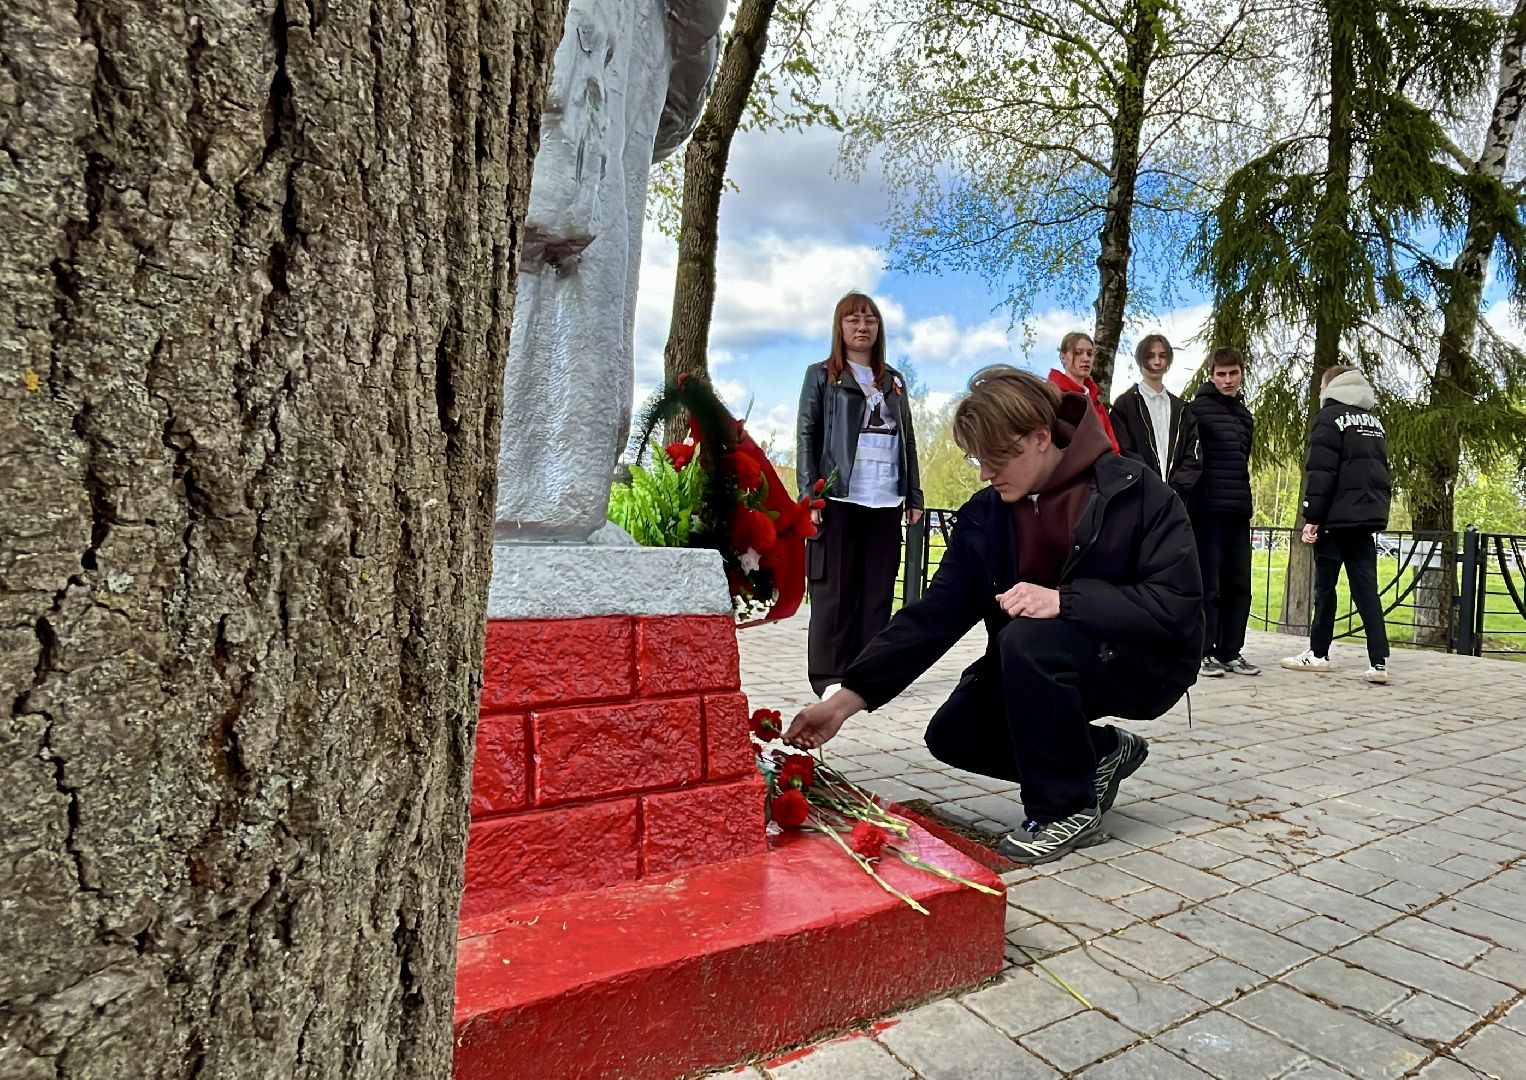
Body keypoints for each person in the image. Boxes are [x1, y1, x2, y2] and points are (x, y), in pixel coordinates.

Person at [784, 366, 1202, 865]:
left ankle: (1066, 809)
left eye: (997, 457)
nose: (985, 473)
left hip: (1143, 664)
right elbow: (932, 617)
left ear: (1041, 437)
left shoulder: (1135, 492)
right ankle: (1100, 754)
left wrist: (1065, 601)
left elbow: (1175, 604)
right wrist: (844, 700)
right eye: (978, 459)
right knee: (955, 731)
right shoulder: (986, 516)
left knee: (1026, 639)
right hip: (1039, 661)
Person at [795, 291, 924, 698]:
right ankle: (828, 677)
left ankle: (866, 676)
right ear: (840, 327)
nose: (862, 327)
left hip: (885, 498)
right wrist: (809, 493)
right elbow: (807, 434)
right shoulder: (822, 376)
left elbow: (908, 439)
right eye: (853, 320)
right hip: (839, 496)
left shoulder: (894, 380)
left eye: (870, 320)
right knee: (835, 591)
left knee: (877, 592)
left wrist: (914, 494)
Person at [1281, 365, 1393, 683]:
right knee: (1367, 591)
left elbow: (1321, 471)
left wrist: (1312, 517)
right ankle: (1378, 662)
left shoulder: (1329, 418)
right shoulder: (1372, 421)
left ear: (1330, 386)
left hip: (1335, 520)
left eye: (1321, 386)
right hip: (1365, 520)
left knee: (1325, 589)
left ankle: (1318, 654)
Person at [1187, 347, 1259, 678]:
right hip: (1208, 511)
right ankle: (1204, 652)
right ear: (1212, 375)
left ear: (1241, 373)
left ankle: (1231, 651)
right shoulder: (1196, 411)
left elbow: (1243, 460)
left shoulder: (1245, 416)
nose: (1228, 380)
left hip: (1238, 510)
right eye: (1221, 374)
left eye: (1233, 373)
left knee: (1240, 585)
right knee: (1209, 586)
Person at [1110, 334, 1201, 503]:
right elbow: (1123, 452)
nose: (1157, 362)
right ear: (1140, 359)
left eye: (1162, 356)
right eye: (1150, 356)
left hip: (1176, 501)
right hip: (1137, 498)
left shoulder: (1182, 409)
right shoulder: (1124, 405)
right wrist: (1151, 485)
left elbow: (1193, 455)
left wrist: (1176, 488)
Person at [1047, 332, 1121, 452]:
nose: (1086, 359)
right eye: (1078, 353)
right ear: (1063, 357)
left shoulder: (1096, 401)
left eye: (1090, 354)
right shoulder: (1052, 395)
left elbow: (1113, 445)